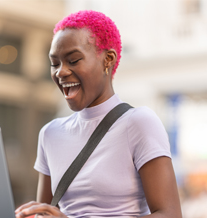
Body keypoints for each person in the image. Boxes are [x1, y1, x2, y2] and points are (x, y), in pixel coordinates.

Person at [15, 10, 182, 218]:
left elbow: (170, 214)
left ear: (108, 60)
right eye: (54, 63)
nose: (61, 72)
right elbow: (47, 212)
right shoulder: (50, 133)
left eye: (73, 60)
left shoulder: (139, 123)